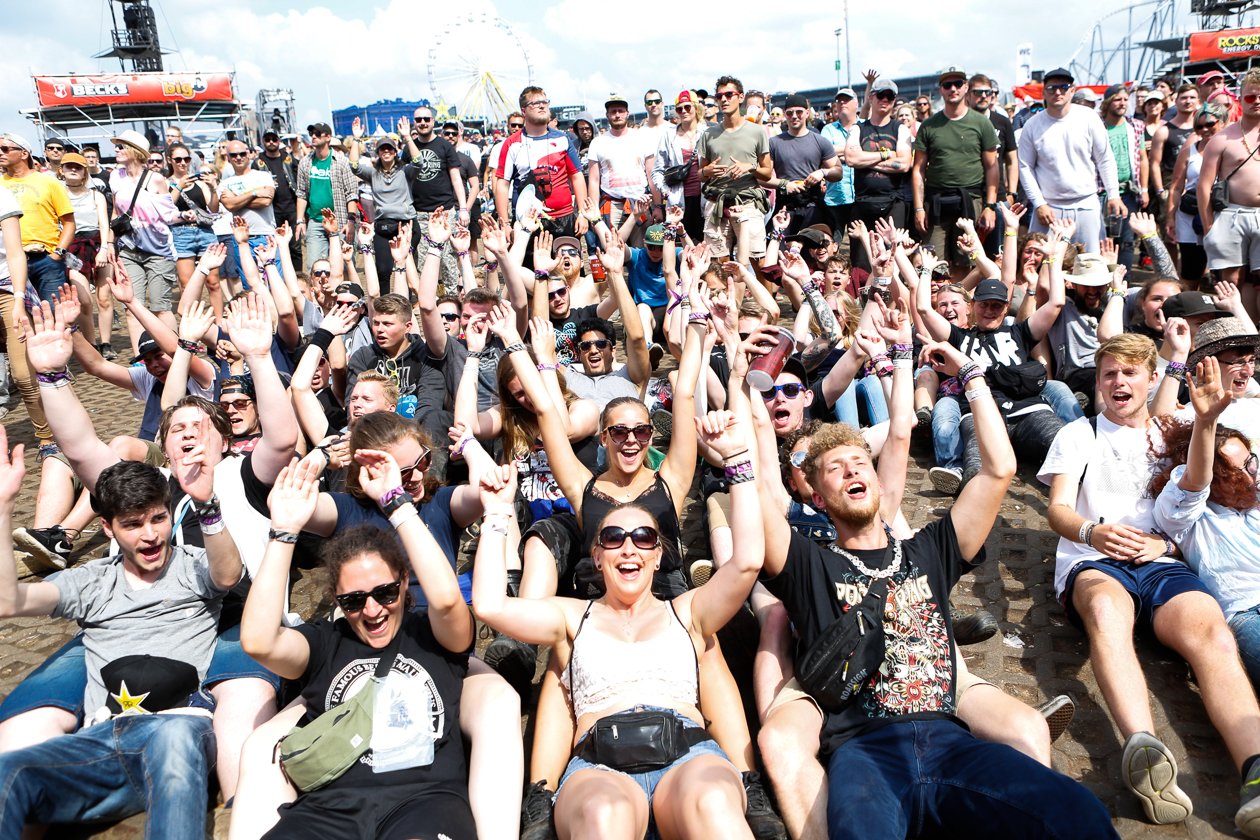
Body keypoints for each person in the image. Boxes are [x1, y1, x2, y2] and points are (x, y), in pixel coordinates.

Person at [757, 334, 1118, 839]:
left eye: (860, 462)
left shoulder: (930, 549)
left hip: (953, 742)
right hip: (865, 752)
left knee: (1077, 814)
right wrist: (741, 396)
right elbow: (756, 494)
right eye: (835, 469)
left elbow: (999, 469)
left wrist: (971, 376)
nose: (851, 470)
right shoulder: (807, 564)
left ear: (880, 481)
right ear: (817, 496)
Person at [472, 401, 764, 840]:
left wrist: (739, 461)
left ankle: (746, 784)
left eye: (644, 537)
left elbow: (746, 564)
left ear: (658, 553)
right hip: (598, 763)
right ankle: (543, 792)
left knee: (714, 803)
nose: (629, 547)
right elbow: (491, 606)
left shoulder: (686, 611)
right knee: (602, 815)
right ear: (597, 554)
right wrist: (496, 514)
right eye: (613, 537)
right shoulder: (572, 616)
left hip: (687, 755)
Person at [1041, 333, 1260, 833]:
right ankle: (1142, 744)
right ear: (1097, 384)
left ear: (1150, 379)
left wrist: (1166, 545)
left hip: (1163, 562)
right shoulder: (1079, 435)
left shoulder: (1174, 432)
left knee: (1213, 634)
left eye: (1129, 372)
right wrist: (1090, 530)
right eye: (1108, 374)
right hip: (1095, 560)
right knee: (1106, 613)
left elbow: (1195, 489)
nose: (1118, 381)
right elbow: (1056, 509)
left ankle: (1256, 770)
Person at [0, 445, 242, 838]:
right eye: (133, 524)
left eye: (158, 519)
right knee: (8, 770)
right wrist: (3, 506)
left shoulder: (191, 567)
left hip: (177, 732)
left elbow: (228, 575)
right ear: (108, 529)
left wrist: (207, 504)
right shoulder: (93, 581)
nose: (150, 536)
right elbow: (7, 601)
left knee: (174, 733)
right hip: (101, 741)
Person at [238, 457, 478, 839]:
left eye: (384, 592)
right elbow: (258, 641)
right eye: (353, 600)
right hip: (329, 810)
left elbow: (448, 601)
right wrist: (283, 532)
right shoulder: (326, 643)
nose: (372, 610)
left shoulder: (433, 636)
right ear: (337, 599)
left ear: (403, 583)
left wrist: (398, 506)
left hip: (424, 804)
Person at [1151, 357, 1260, 704]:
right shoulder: (1188, 515)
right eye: (1237, 470)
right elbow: (1197, 480)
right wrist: (1206, 422)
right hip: (1248, 612)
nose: (1251, 474)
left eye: (1251, 461)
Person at [1017, 68, 1123, 254]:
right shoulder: (1032, 125)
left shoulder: (1089, 118)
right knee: (1042, 265)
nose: (1057, 92)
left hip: (1087, 204)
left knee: (1091, 264)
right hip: (1049, 209)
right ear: (1044, 92)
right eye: (1051, 88)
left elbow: (1105, 159)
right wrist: (1039, 203)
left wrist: (1113, 194)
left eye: (1063, 87)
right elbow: (1025, 167)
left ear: (1072, 90)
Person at [912, 67, 1000, 275]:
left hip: (970, 200)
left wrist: (990, 206)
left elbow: (992, 167)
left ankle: (960, 305)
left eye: (958, 84)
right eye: (947, 85)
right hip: (936, 202)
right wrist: (918, 209)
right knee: (933, 263)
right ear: (941, 90)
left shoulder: (981, 123)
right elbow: (918, 170)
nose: (953, 88)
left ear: (966, 87)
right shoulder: (929, 126)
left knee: (966, 261)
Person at [109, 129, 182, 349]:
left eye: (122, 146)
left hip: (158, 250)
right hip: (129, 250)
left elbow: (169, 215)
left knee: (161, 307)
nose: (116, 149)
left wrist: (187, 216)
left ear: (136, 151)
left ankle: (176, 353)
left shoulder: (156, 180)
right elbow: (115, 213)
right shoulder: (115, 177)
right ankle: (142, 359)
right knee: (132, 306)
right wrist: (110, 244)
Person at [1199, 68, 1260, 316]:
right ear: (1240, 98)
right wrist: (1208, 227)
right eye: (1250, 97)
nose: (1256, 101)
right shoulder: (1223, 138)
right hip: (1231, 215)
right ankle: (1236, 335)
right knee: (1231, 281)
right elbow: (1204, 184)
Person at [496, 86, 589, 242]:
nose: (542, 105)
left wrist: (582, 214)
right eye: (536, 103)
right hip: (529, 220)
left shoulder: (562, 139)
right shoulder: (512, 144)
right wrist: (505, 224)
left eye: (545, 102)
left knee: (568, 265)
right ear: (524, 110)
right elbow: (502, 184)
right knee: (529, 267)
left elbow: (577, 176)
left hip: (564, 217)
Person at [697, 76, 773, 260]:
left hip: (748, 203)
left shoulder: (756, 132)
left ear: (740, 97)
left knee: (759, 262)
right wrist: (706, 172)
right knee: (717, 264)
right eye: (719, 96)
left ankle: (765, 291)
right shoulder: (708, 134)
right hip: (716, 204)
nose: (724, 99)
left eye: (729, 94)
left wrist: (751, 167)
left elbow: (768, 173)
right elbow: (700, 174)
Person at [0, 132, 75, 303]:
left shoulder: (49, 182)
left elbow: (69, 223)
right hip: (8, 263)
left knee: (58, 318)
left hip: (45, 260)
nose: (0, 153)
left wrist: (57, 254)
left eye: (5, 149)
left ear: (24, 153)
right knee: (22, 321)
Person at [1166, 102, 1226, 284]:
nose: (1205, 129)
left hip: (1222, 213)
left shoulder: (1232, 149)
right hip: (1190, 216)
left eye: (1210, 124)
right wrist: (1170, 218)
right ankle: (1190, 308)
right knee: (1191, 270)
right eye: (1199, 126)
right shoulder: (1189, 151)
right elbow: (1176, 186)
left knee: (1224, 271)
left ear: (1222, 122)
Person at [769, 94, 844, 234]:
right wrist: (784, 184)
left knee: (813, 252)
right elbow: (763, 178)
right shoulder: (774, 143)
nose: (794, 116)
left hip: (813, 205)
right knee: (781, 252)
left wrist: (823, 172)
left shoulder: (820, 141)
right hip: (784, 207)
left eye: (799, 112)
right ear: (785, 115)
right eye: (790, 113)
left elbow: (838, 172)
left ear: (807, 113)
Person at [166, 141, 224, 318]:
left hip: (205, 232)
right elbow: (167, 207)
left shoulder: (200, 182)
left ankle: (220, 325)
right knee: (188, 284)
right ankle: (191, 326)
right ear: (170, 160)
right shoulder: (165, 182)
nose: (183, 163)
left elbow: (213, 209)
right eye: (178, 159)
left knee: (213, 282)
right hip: (181, 233)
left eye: (186, 159)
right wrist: (179, 186)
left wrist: (214, 190)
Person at [295, 122, 358, 269]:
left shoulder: (341, 162)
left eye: (318, 134)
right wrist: (300, 220)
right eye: (312, 134)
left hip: (340, 221)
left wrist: (351, 221)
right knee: (314, 267)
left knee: (345, 266)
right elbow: (301, 194)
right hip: (316, 221)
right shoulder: (305, 163)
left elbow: (351, 194)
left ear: (328, 137)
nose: (313, 137)